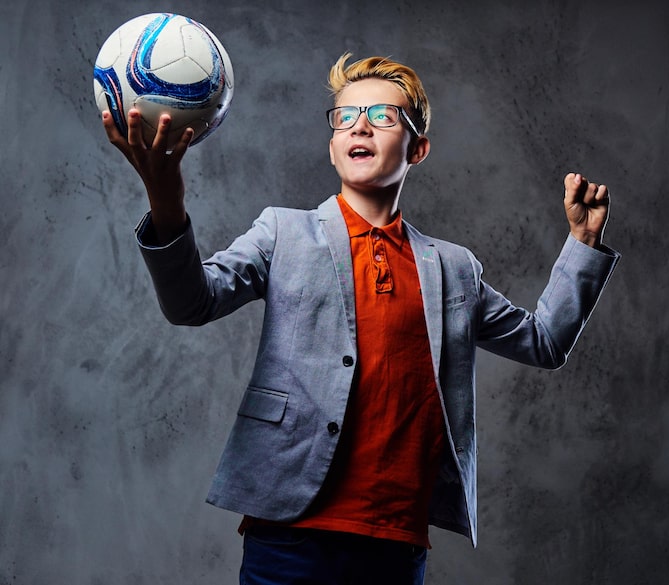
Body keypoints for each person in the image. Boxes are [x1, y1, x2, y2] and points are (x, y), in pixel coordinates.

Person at [102, 52, 620, 585]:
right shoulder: (282, 233)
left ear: (417, 149)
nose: (361, 126)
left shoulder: (454, 267)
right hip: (288, 536)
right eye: (346, 117)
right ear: (333, 148)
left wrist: (583, 242)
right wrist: (166, 202)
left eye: (383, 116)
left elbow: (544, 342)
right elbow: (192, 303)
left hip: (395, 545)